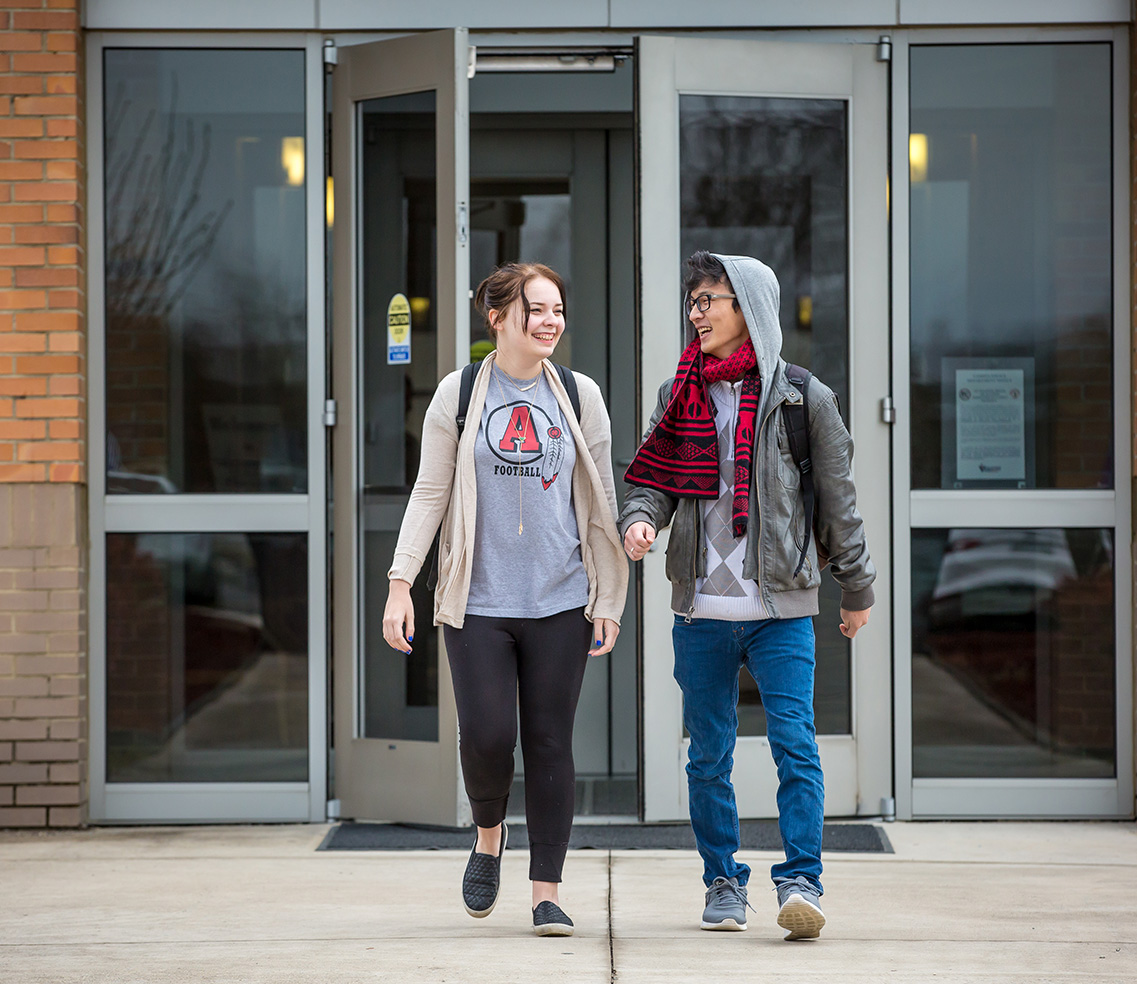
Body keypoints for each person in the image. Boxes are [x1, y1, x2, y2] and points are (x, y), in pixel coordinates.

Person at [619, 251, 875, 941]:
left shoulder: (802, 399)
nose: (696, 313)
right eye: (693, 301)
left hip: (779, 609)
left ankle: (801, 882)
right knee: (708, 754)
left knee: (795, 743)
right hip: (699, 610)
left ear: (749, 309)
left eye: (711, 300)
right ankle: (721, 882)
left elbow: (839, 505)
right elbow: (652, 478)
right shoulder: (678, 394)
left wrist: (855, 587)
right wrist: (639, 518)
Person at [383, 261, 627, 938]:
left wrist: (608, 596)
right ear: (497, 317)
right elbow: (430, 493)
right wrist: (401, 583)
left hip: (560, 599)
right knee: (489, 736)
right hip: (479, 600)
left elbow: (602, 504)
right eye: (536, 309)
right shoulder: (458, 396)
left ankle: (545, 890)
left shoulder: (580, 397)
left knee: (549, 740)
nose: (550, 321)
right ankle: (488, 834)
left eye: (557, 309)